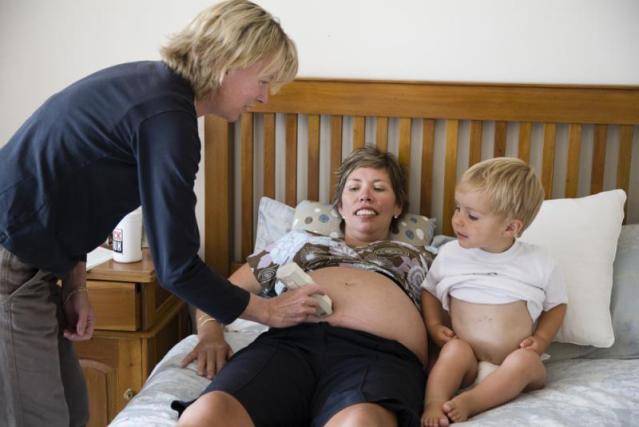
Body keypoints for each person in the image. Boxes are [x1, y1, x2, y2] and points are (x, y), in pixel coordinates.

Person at [0, 1, 301, 425]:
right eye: (264, 81)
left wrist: (74, 282)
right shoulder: (166, 118)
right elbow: (175, 266)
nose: (265, 97)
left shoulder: (149, 88)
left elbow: (68, 190)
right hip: (10, 261)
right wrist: (267, 311)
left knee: (72, 412)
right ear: (232, 63)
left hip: (35, 260)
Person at [175, 146, 433, 427]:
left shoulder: (422, 256)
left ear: (398, 207)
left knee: (361, 422)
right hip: (290, 345)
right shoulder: (298, 242)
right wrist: (210, 332)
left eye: (379, 188)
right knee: (208, 413)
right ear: (339, 207)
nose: (365, 195)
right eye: (354, 187)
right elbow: (216, 292)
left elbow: (456, 325)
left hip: (379, 356)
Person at [420, 157, 568, 426]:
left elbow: (557, 305)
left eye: (472, 215)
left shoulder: (538, 261)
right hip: (468, 360)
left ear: (511, 227)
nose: (457, 220)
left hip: (513, 362)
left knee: (525, 362)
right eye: (457, 209)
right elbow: (429, 291)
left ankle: (473, 401)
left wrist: (543, 339)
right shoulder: (450, 254)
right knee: (453, 351)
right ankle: (434, 401)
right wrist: (433, 325)